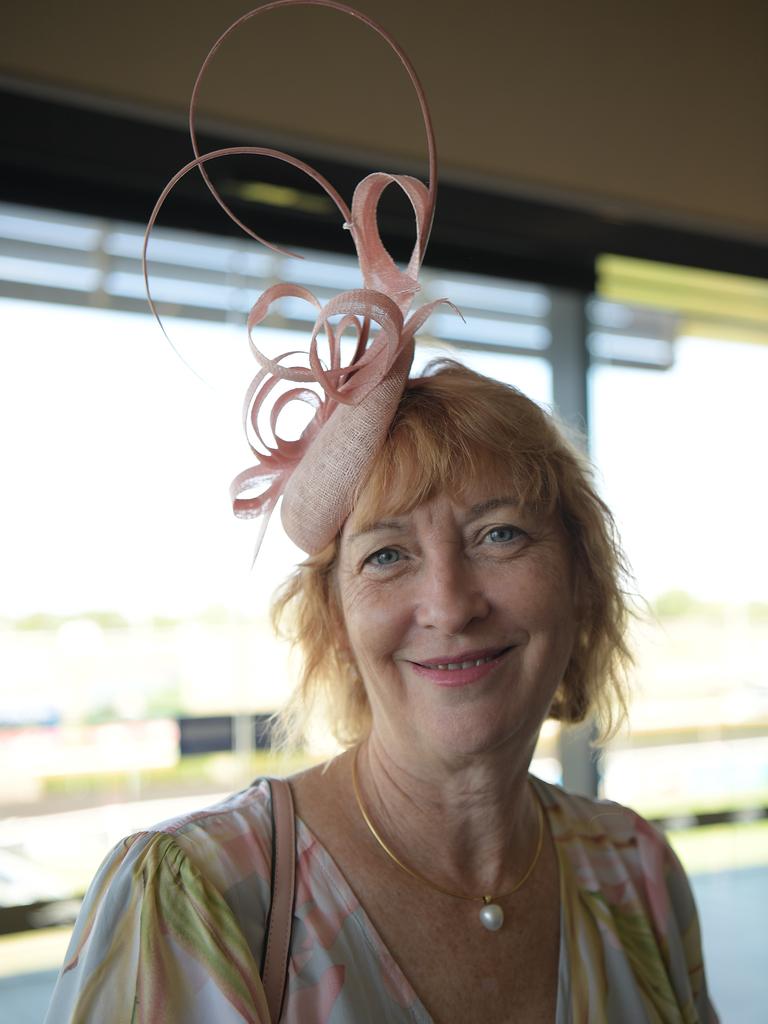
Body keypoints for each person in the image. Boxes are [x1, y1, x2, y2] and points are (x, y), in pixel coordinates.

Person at [45, 4, 718, 1022]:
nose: (450, 602)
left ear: (580, 576)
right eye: (388, 555)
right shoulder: (201, 899)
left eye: (499, 533)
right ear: (335, 622)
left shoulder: (639, 872)